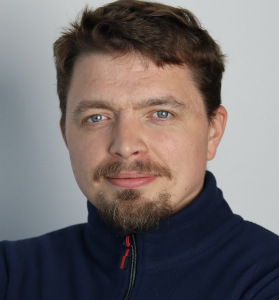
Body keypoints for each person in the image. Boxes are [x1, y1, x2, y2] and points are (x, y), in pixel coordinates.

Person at [1, 0, 279, 299]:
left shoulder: (267, 277)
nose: (125, 145)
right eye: (97, 117)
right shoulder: (11, 273)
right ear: (67, 136)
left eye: (161, 113)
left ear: (213, 130)